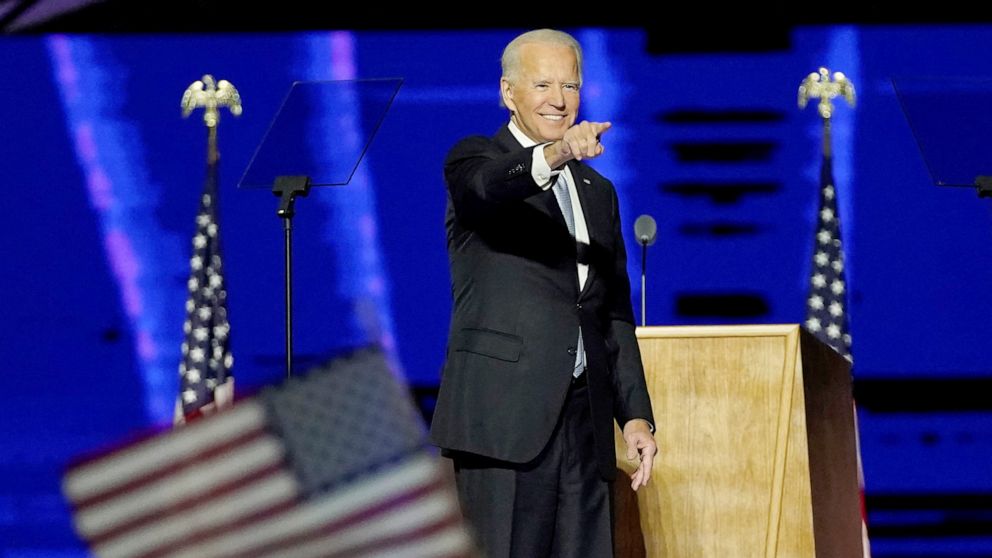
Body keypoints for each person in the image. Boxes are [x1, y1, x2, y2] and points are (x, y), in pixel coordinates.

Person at [429, 28, 657, 558]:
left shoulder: (598, 192)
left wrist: (637, 416)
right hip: (503, 423)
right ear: (509, 93)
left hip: (587, 425)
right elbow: (487, 190)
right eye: (543, 85)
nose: (559, 100)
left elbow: (612, 314)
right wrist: (552, 155)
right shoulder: (474, 160)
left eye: (571, 86)